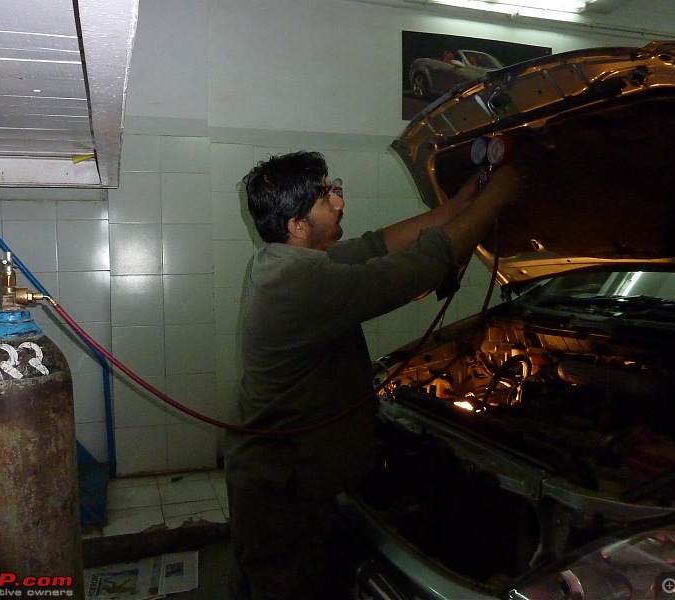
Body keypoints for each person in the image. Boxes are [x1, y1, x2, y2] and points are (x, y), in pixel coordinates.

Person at [224, 150, 524, 599]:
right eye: (327, 196)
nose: (340, 202)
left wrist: (457, 206)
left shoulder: (280, 262)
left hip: (283, 477)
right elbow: (415, 268)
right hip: (283, 492)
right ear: (296, 224)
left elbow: (375, 246)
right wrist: (496, 199)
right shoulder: (303, 285)